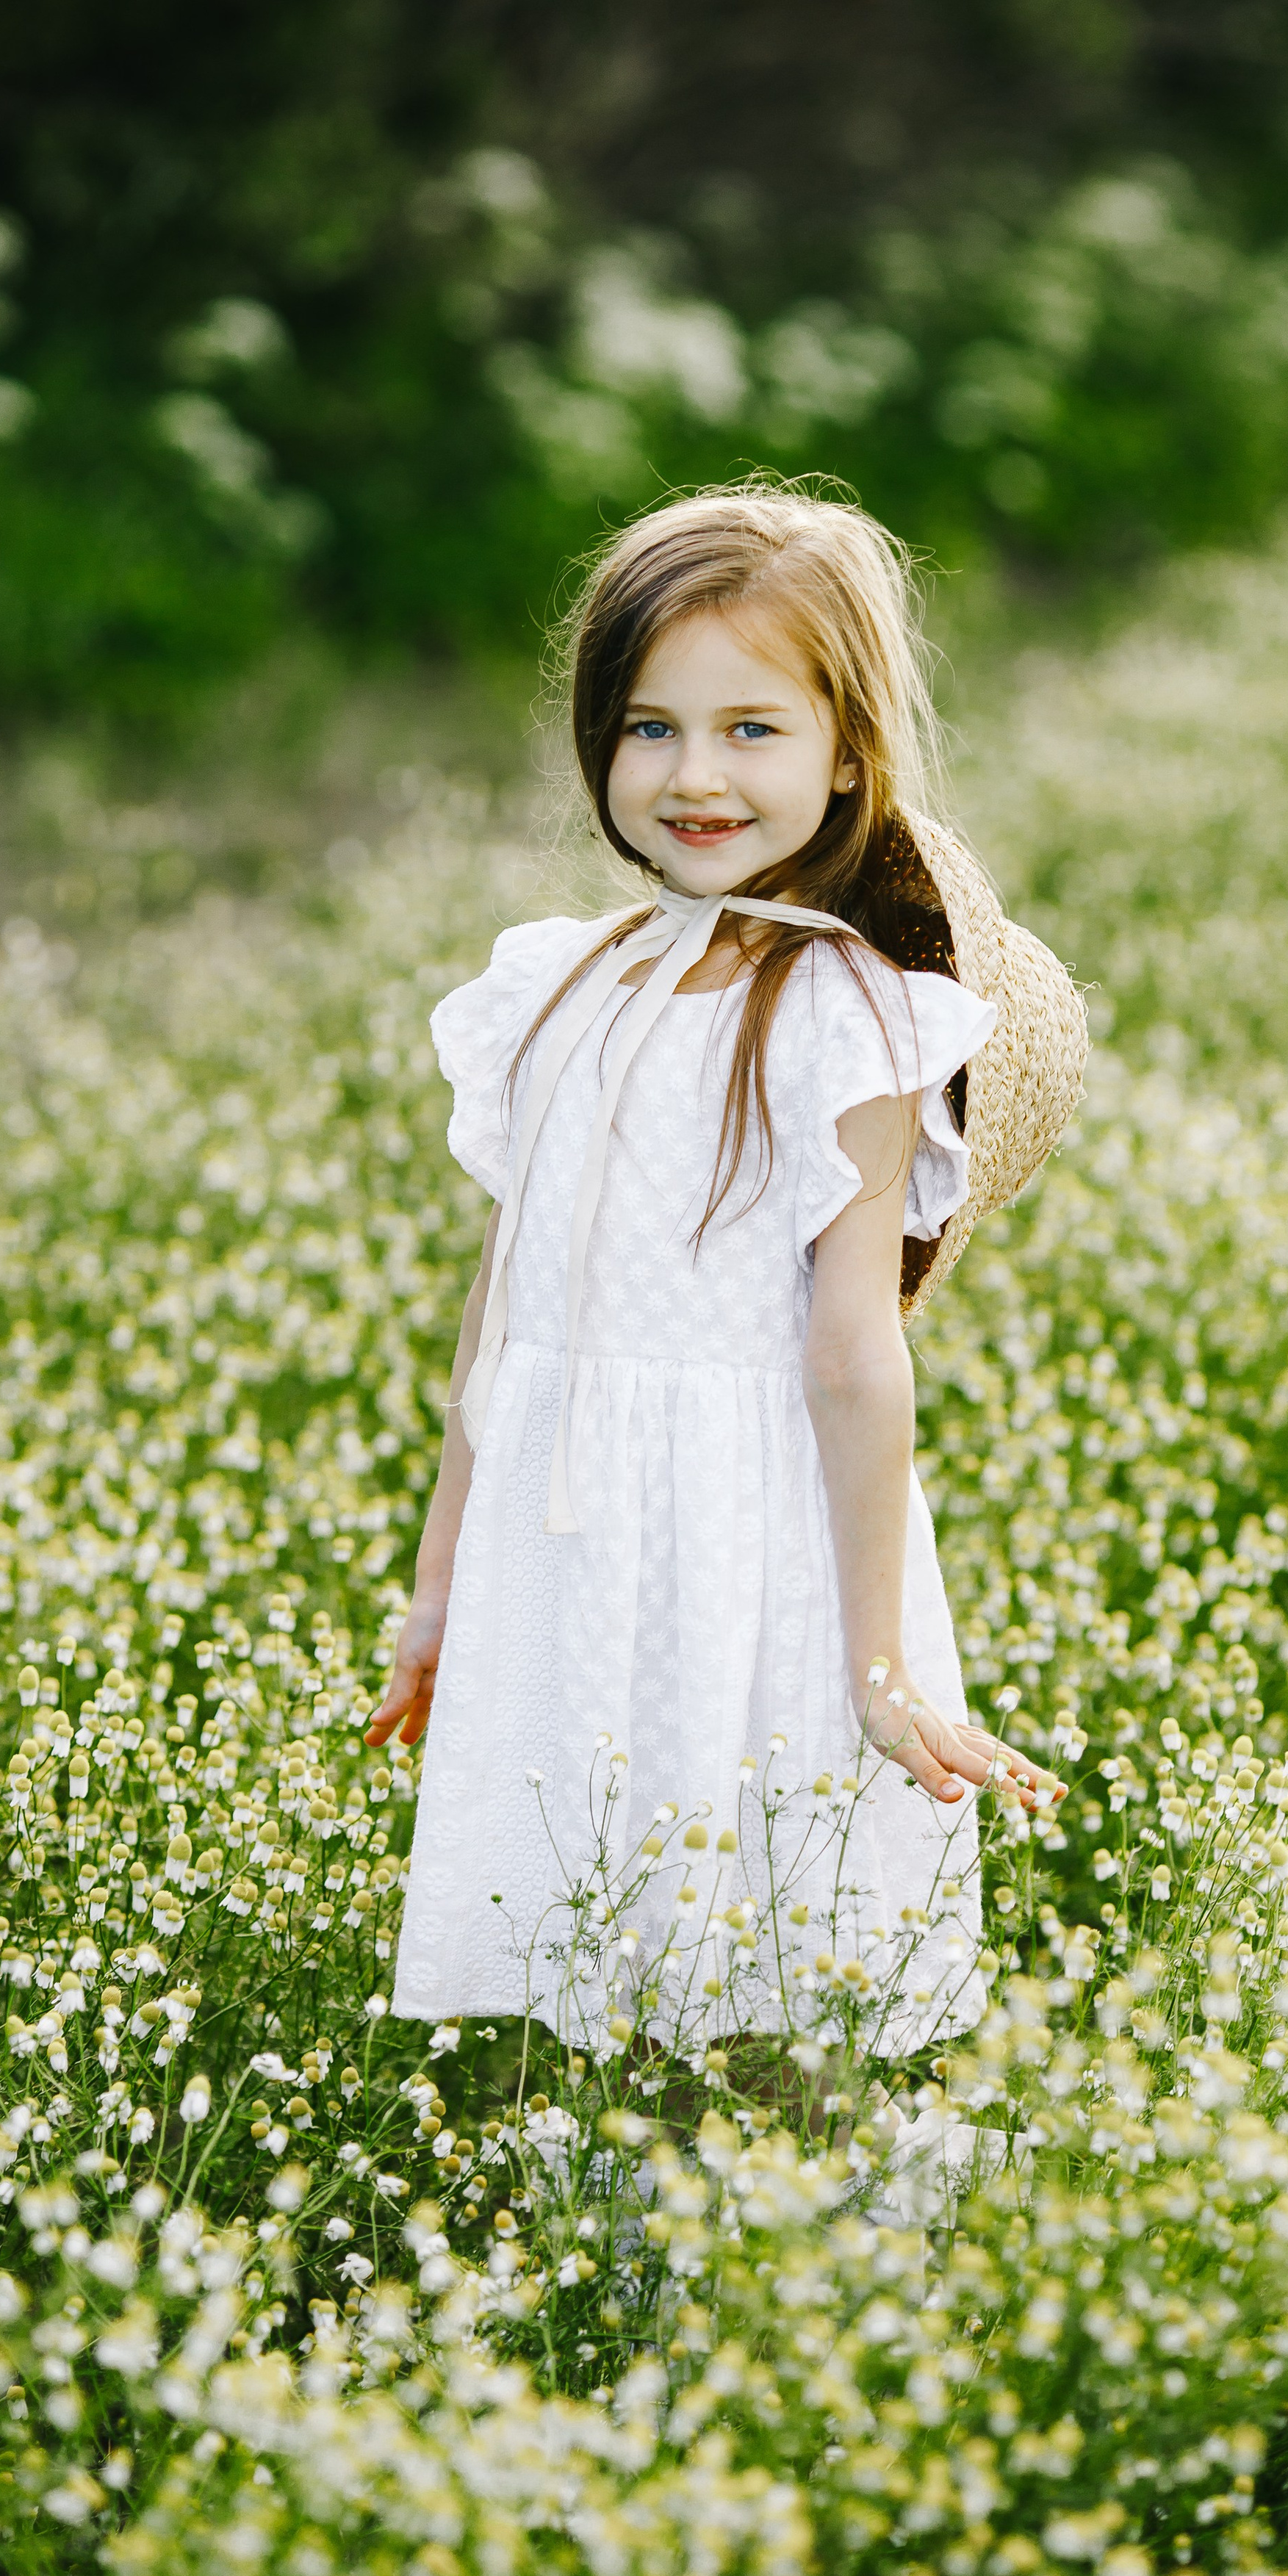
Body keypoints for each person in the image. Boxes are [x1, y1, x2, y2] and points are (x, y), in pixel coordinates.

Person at [370, 482, 1079, 2061]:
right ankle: (617, 2207)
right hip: (568, 1541)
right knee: (594, 1949)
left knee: (767, 1941)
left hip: (753, 1542)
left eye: (752, 729)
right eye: (651, 728)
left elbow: (853, 1350)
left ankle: (794, 2201)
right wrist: (440, 1587)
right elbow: (504, 1320)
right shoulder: (558, 984)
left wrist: (880, 1663)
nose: (695, 774)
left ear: (848, 752)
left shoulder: (853, 1014)